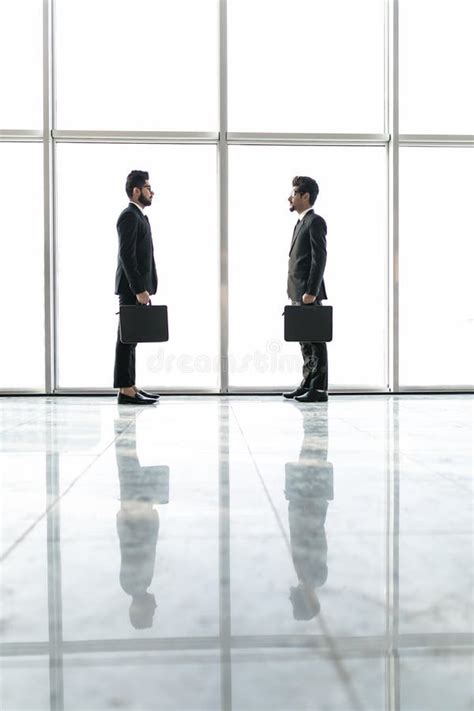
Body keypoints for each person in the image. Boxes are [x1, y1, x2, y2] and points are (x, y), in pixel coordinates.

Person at [113, 170, 159, 405]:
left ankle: (129, 385)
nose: (153, 192)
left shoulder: (140, 216)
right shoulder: (129, 216)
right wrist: (139, 289)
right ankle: (125, 389)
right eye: (149, 187)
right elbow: (127, 257)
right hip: (131, 288)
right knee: (126, 340)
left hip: (137, 288)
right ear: (136, 190)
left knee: (131, 339)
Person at [284, 175, 329, 403]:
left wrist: (311, 291)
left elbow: (319, 259)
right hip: (298, 292)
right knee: (304, 341)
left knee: (315, 340)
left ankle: (319, 389)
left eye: (293, 193)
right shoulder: (300, 222)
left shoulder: (315, 221)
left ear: (305, 196)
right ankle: (307, 383)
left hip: (308, 294)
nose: (289, 197)